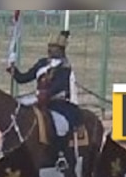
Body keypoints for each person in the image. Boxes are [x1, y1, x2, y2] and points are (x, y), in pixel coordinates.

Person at [7, 32, 80, 169]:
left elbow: (57, 88)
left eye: (53, 47)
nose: (50, 49)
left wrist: (44, 95)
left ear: (61, 50)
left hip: (58, 104)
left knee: (60, 124)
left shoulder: (65, 68)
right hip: (39, 100)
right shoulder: (42, 63)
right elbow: (24, 78)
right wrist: (13, 71)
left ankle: (60, 155)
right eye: (49, 46)